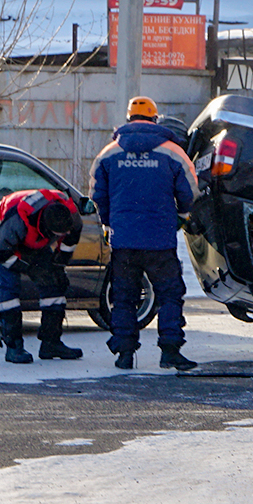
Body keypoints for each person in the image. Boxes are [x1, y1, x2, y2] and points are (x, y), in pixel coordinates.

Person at [92, 95, 200, 372]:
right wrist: (183, 216)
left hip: (124, 240)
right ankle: (171, 352)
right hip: (159, 240)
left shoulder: (108, 153)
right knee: (169, 295)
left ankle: (125, 354)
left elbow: (97, 194)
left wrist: (108, 223)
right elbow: (190, 189)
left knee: (125, 297)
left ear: (128, 120)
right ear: (155, 119)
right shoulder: (173, 152)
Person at [0, 187, 85, 365]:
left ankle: (51, 342)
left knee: (53, 283)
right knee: (9, 288)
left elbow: (69, 242)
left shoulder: (70, 217)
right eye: (60, 235)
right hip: (2, 235)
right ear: (48, 230)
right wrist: (29, 268)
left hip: (33, 234)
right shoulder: (17, 221)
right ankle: (13, 346)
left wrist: (58, 266)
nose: (65, 236)